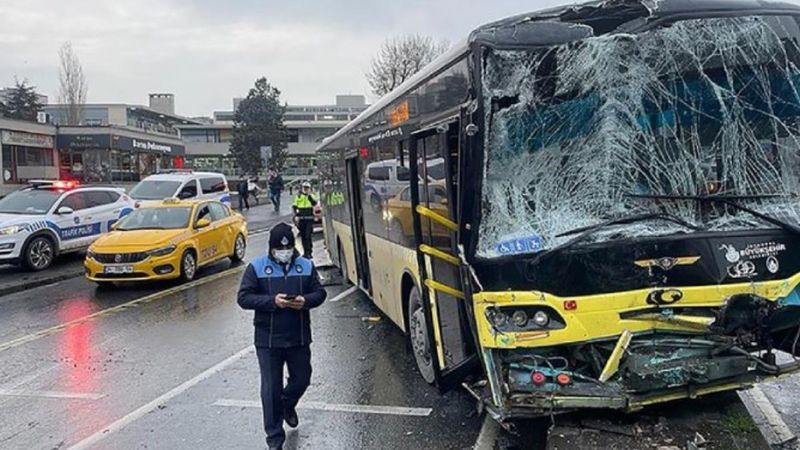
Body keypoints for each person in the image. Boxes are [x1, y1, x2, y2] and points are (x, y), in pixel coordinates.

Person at [237, 223, 327, 450]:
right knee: (270, 389)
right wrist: (272, 301)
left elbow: (320, 293)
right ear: (272, 248)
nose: (283, 251)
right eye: (279, 248)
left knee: (302, 379)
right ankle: (275, 439)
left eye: (287, 247)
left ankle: (287, 404)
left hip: (298, 336)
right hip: (268, 340)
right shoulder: (257, 267)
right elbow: (244, 298)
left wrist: (305, 301)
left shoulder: (305, 266)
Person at [292, 181, 317, 258]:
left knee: (307, 236)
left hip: (309, 219)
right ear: (302, 188)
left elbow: (314, 203)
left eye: (307, 188)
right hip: (301, 219)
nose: (305, 189)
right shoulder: (298, 196)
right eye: (304, 188)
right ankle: (305, 253)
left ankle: (309, 252)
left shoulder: (312, 195)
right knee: (303, 237)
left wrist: (309, 196)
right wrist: (295, 216)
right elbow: (294, 206)